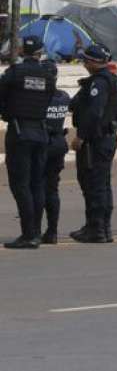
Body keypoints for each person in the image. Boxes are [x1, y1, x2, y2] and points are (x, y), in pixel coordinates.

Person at [0, 36, 57, 249]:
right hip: (41, 132)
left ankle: (29, 234)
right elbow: (49, 97)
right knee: (37, 184)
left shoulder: (14, 73)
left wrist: (7, 112)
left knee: (21, 185)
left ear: (23, 51)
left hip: (19, 131)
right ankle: (35, 231)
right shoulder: (48, 75)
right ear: (40, 52)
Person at [69, 43, 117, 244]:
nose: (84, 63)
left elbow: (95, 113)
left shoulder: (99, 83)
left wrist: (82, 137)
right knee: (102, 184)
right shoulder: (113, 81)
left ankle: (96, 228)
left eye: (87, 60)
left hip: (95, 140)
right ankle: (102, 227)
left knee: (93, 184)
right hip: (107, 138)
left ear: (95, 62)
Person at [40, 61, 71, 245]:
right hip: (58, 144)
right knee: (52, 190)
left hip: (42, 145)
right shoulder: (63, 96)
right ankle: (52, 231)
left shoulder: (39, 98)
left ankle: (34, 230)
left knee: (36, 189)